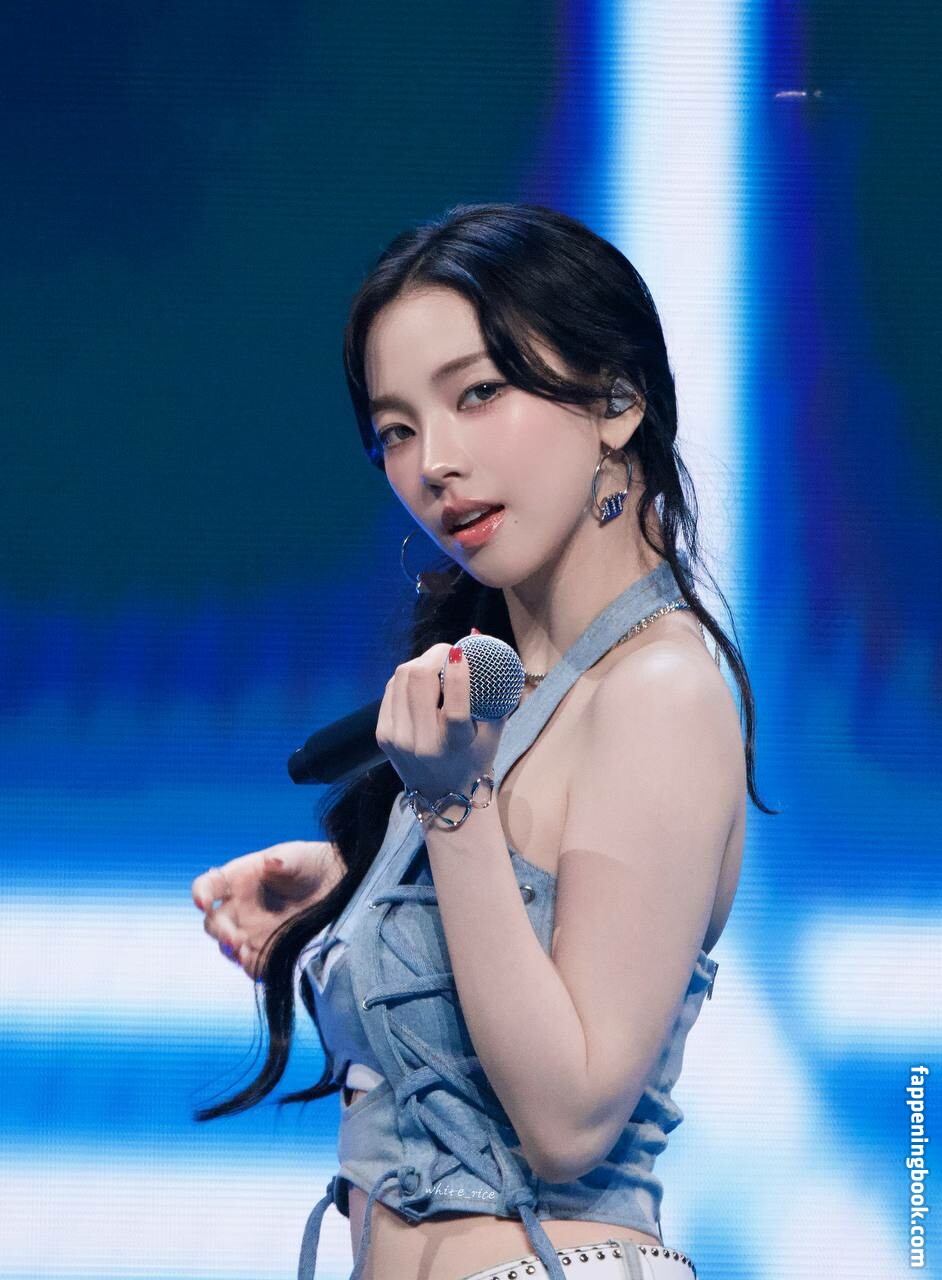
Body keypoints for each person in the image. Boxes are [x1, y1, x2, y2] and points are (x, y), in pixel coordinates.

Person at [191, 203, 775, 1280]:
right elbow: (537, 914)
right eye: (397, 430)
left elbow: (568, 1116)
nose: (435, 463)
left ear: (616, 400)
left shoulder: (660, 690)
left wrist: (453, 810)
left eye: (477, 394)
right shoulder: (518, 685)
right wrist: (359, 893)